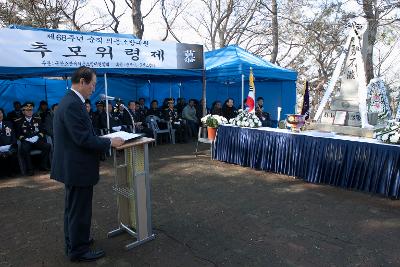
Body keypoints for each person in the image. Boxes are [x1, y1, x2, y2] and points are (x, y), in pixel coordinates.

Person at [50, 66, 124, 262]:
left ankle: (75, 242)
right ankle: (78, 250)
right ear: (82, 82)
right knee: (79, 211)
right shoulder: (73, 104)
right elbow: (82, 139)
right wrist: (109, 141)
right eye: (92, 84)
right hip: (77, 167)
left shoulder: (70, 100)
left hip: (73, 166)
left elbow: (82, 135)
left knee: (73, 209)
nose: (94, 88)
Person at [15, 102, 51, 176]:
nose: (29, 112)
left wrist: (37, 136)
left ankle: (43, 166)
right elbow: (17, 134)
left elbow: (43, 130)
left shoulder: (38, 119)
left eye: (31, 110)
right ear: (23, 111)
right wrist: (26, 139)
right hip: (26, 141)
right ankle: (30, 169)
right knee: (24, 149)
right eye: (27, 110)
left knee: (47, 146)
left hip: (37, 140)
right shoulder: (18, 121)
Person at [0, 108, 18, 177]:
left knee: (12, 153)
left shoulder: (9, 123)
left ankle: (12, 172)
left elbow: (13, 136)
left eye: (0, 113)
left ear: (3, 114)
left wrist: (11, 145)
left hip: (9, 146)